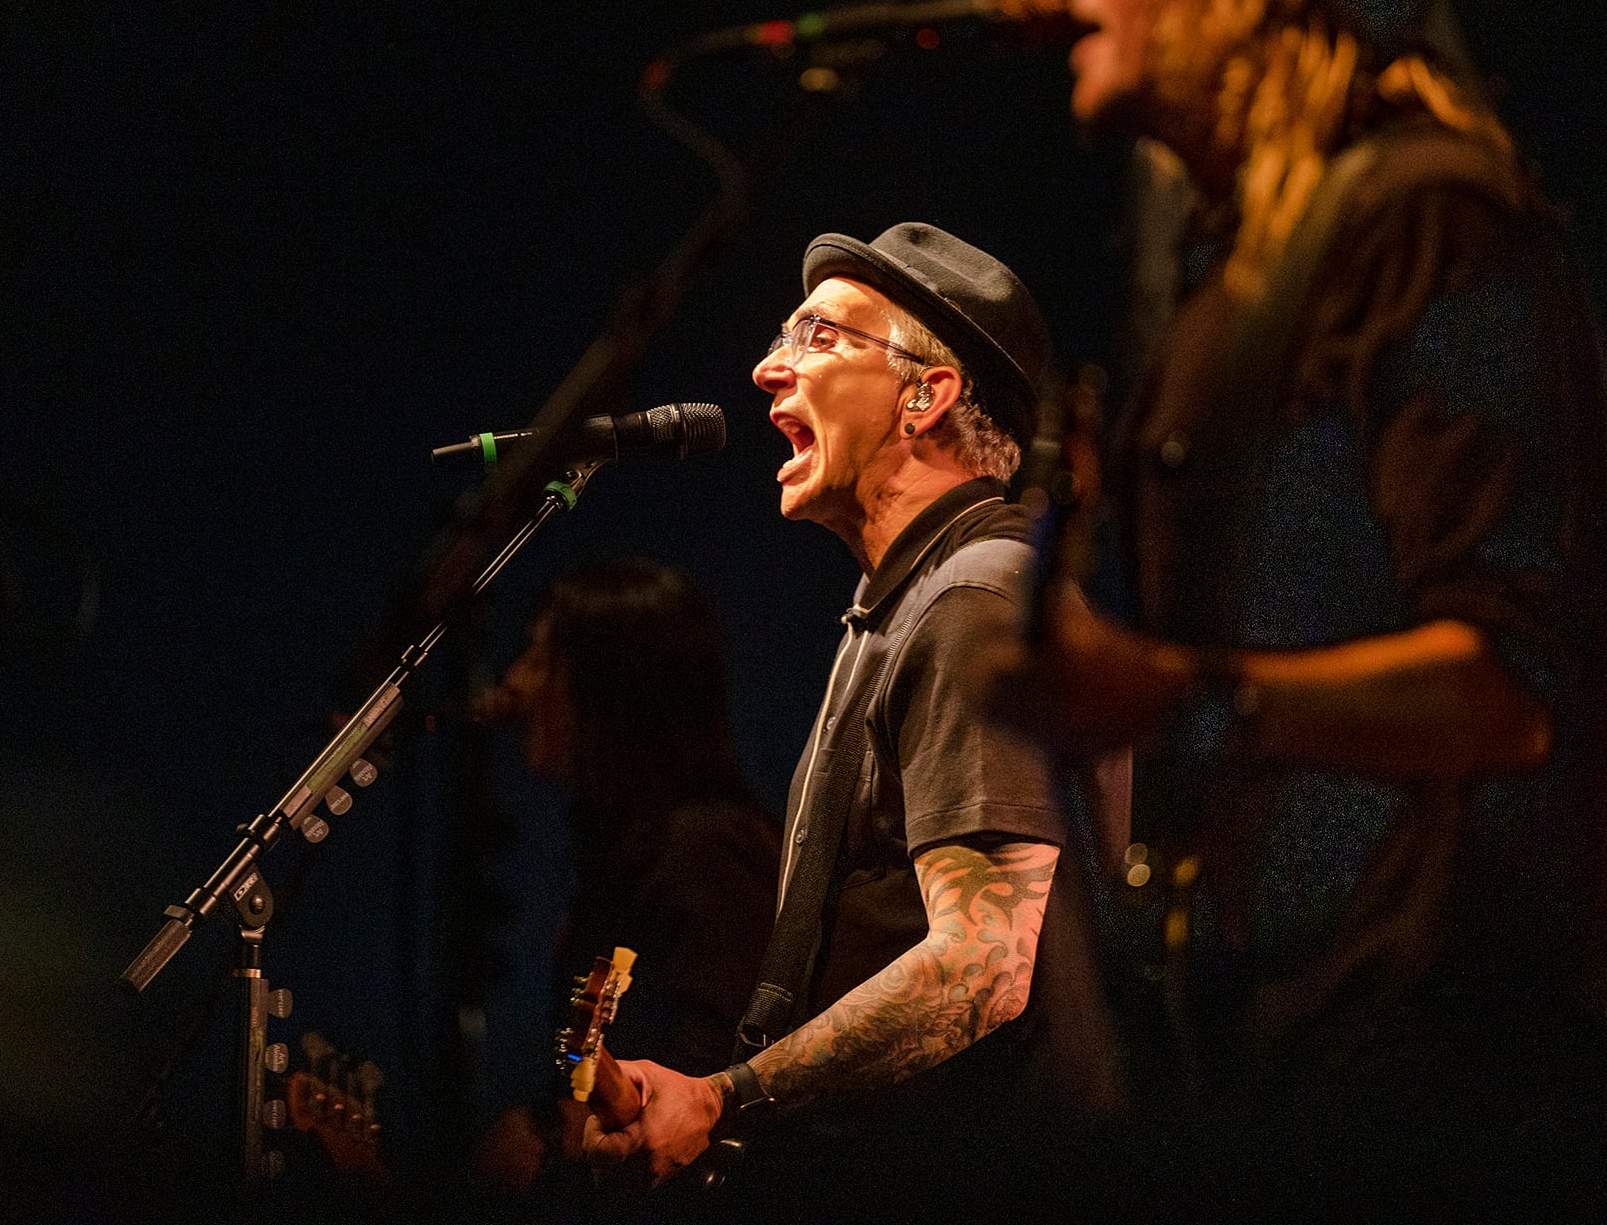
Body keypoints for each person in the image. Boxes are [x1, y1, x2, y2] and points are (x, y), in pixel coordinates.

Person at [985, 0, 1607, 1215]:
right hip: (1285, 1060)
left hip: (1452, 1086)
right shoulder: (1232, 282)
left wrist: (1175, 693)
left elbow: (1509, 690)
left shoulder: (1438, 228)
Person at [580, 223, 1127, 1213]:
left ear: (926, 394)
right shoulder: (905, 609)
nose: (764, 367)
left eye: (819, 337)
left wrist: (728, 1096)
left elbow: (983, 967)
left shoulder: (974, 599)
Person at [469, 558, 779, 1205]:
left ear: (608, 685)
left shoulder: (704, 849)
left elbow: (724, 1075)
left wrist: (550, 1140)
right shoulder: (626, 852)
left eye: (540, 658)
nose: (516, 682)